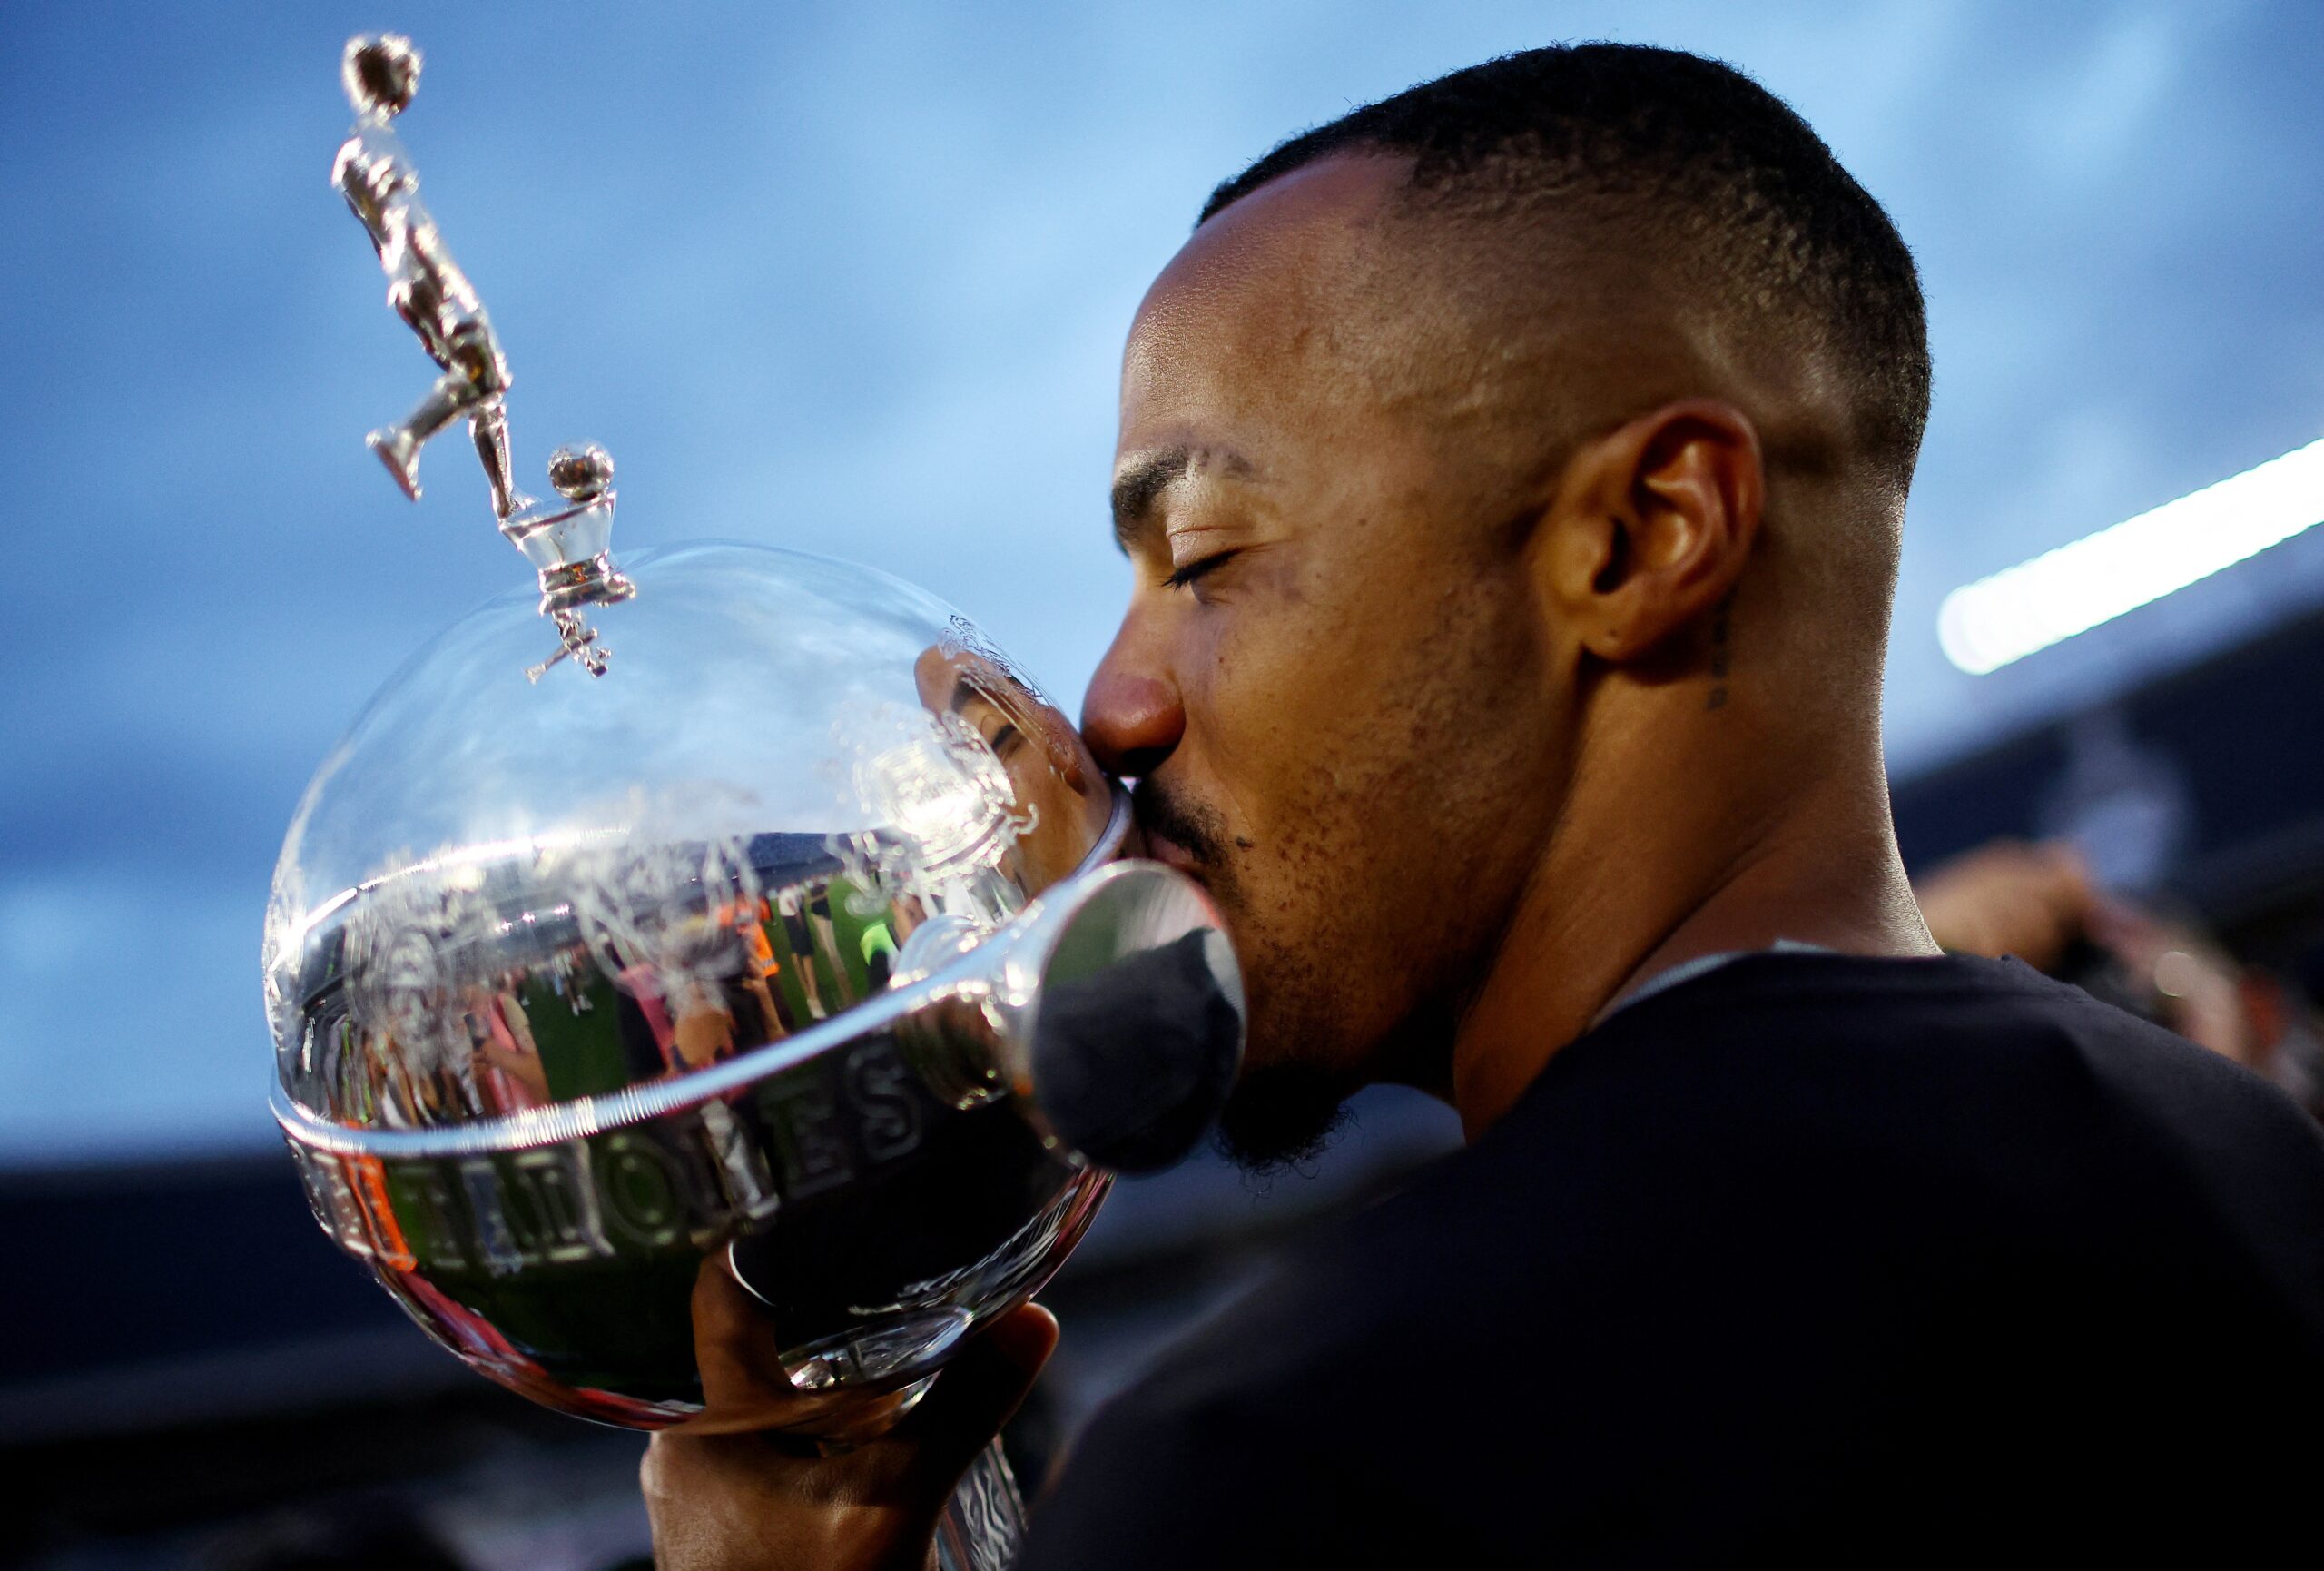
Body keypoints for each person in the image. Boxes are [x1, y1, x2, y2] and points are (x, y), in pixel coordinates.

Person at [641, 44, 2324, 1566]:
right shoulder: (2237, 1149)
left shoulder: (1306, 1457)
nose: (1113, 702)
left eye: (1207, 558)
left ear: (1647, 534)